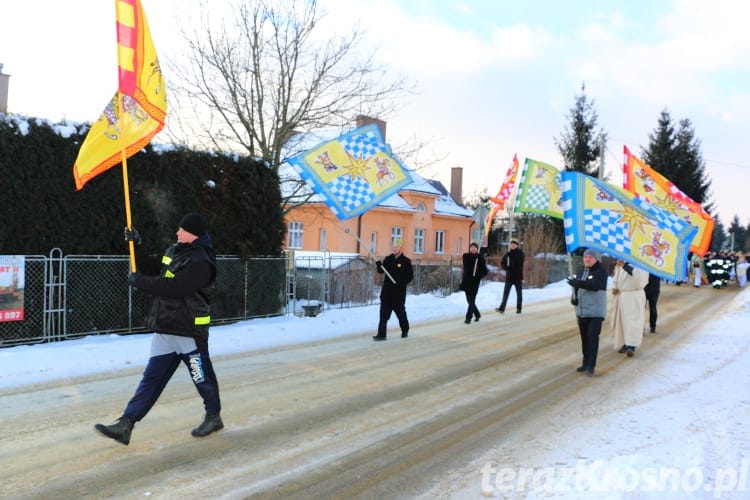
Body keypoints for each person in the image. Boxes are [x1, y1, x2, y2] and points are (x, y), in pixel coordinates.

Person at [95, 212, 222, 445]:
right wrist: (137, 245)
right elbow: (149, 266)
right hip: (165, 328)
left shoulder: (202, 261)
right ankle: (126, 423)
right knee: (151, 379)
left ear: (192, 233)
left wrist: (140, 282)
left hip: (188, 332)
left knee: (200, 376)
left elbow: (176, 287)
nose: (177, 232)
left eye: (181, 230)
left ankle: (213, 416)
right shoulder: (174, 251)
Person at [567, 248, 608, 375]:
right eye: (585, 257)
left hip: (596, 311)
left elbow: (594, 285)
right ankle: (585, 362)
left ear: (596, 259)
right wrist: (574, 298)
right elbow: (577, 288)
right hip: (582, 311)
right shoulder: (580, 272)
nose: (587, 259)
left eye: (590, 257)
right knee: (584, 338)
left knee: (592, 337)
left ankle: (591, 365)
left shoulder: (600, 271)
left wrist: (578, 283)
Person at [373, 239, 413, 341]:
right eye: (393, 247)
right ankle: (381, 334)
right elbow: (382, 271)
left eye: (396, 247)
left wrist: (400, 283)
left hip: (398, 294)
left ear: (401, 248)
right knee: (383, 316)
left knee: (401, 314)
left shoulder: (406, 261)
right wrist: (379, 265)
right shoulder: (388, 259)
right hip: (387, 293)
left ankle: (405, 330)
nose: (394, 249)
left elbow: (410, 276)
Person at [611, 259, 649, 357]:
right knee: (623, 322)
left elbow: (640, 280)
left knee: (633, 321)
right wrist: (614, 287)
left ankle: (632, 345)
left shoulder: (641, 262)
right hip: (622, 296)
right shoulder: (620, 263)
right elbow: (616, 278)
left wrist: (625, 266)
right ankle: (625, 342)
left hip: (634, 296)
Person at [460, 242, 488, 324]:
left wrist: (478, 276)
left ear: (477, 249)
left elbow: (485, 271)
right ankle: (477, 314)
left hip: (475, 282)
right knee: (469, 301)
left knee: (472, 300)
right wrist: (476, 258)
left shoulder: (480, 259)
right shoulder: (466, 256)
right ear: (469, 248)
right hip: (466, 281)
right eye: (471, 247)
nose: (473, 249)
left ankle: (468, 318)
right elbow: (467, 263)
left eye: (475, 248)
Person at [496, 238, 524, 314]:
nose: (512, 245)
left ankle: (519, 308)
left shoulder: (520, 253)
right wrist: (506, 267)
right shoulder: (508, 254)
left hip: (517, 277)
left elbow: (518, 261)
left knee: (519, 293)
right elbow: (502, 263)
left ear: (517, 245)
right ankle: (502, 308)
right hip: (509, 277)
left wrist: (511, 257)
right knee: (505, 293)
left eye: (514, 244)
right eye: (511, 244)